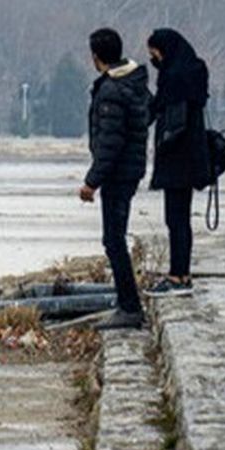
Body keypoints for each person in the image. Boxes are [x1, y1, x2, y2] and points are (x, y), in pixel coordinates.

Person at [79, 28, 152, 330]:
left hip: (118, 173)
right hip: (131, 169)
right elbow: (148, 115)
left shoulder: (111, 90)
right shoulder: (136, 83)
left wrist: (91, 182)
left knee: (113, 240)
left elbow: (110, 142)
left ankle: (129, 307)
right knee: (115, 238)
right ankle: (127, 303)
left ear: (96, 57)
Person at [143, 28, 210, 298]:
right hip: (193, 155)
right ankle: (182, 273)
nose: (154, 58)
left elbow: (165, 114)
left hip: (176, 158)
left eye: (154, 53)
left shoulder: (173, 78)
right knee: (182, 218)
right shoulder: (194, 72)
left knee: (175, 219)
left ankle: (176, 276)